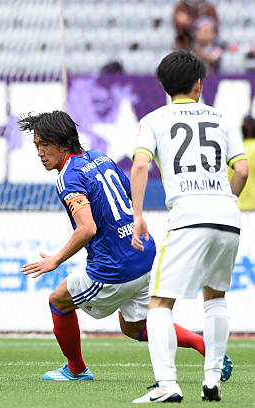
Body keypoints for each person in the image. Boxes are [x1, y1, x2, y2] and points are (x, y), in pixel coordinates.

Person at [18, 111, 232, 384]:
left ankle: (76, 370)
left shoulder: (67, 177)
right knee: (133, 327)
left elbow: (87, 228)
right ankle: (203, 345)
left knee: (58, 300)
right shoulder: (100, 158)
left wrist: (56, 260)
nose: (39, 153)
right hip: (142, 252)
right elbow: (128, 193)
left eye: (42, 145)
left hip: (114, 266)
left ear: (61, 143)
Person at [131, 50, 248, 403]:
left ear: (166, 86)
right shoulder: (222, 119)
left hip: (188, 215)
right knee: (215, 298)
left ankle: (167, 385)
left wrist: (137, 215)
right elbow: (240, 170)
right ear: (199, 84)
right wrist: (224, 199)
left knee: (160, 304)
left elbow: (139, 166)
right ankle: (211, 381)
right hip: (227, 214)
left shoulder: (154, 119)